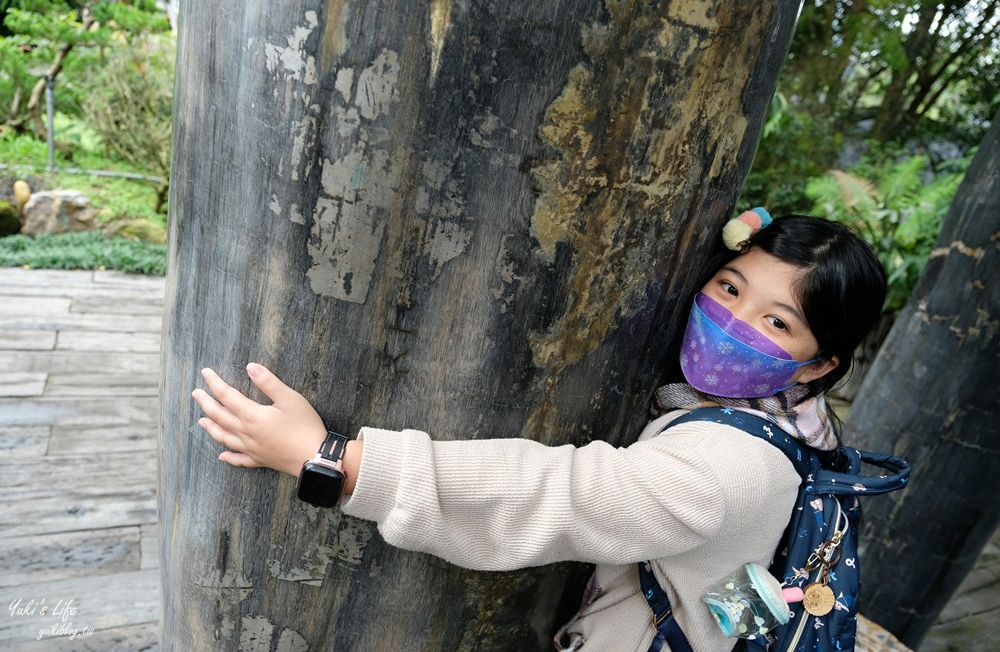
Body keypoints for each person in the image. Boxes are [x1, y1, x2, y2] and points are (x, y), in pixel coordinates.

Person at [191, 212, 887, 652]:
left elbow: (565, 493)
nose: (733, 319)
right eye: (730, 287)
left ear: (820, 361)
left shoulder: (732, 462)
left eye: (777, 322)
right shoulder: (795, 429)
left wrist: (333, 460)